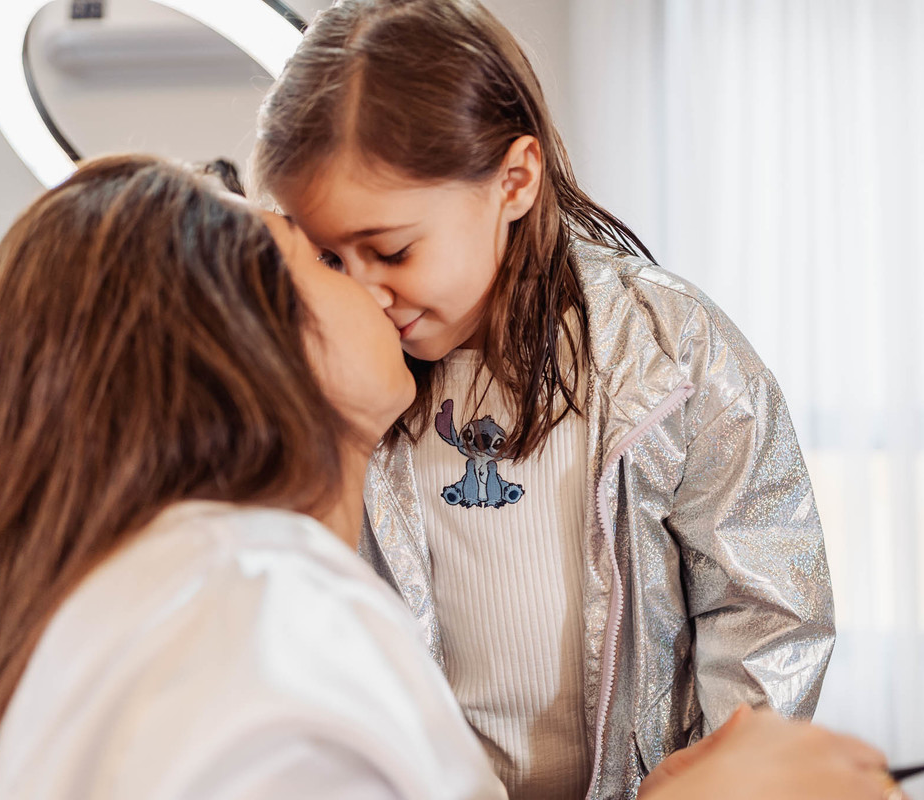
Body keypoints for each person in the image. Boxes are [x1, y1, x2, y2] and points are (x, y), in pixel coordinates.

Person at [0, 156, 895, 800]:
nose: (374, 285)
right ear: (244, 346)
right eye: (321, 257)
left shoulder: (172, 607)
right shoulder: (257, 611)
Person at [252, 2, 835, 797]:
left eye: (390, 250)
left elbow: (768, 607)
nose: (362, 290)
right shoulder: (335, 378)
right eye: (327, 255)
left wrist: (724, 780)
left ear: (514, 181)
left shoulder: (674, 352)